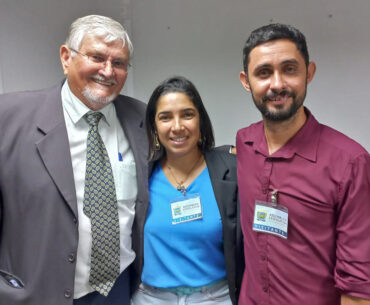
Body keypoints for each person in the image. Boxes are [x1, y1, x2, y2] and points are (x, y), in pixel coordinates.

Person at [0, 15, 148, 305]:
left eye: (118, 63)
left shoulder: (142, 120)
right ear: (66, 57)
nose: (108, 71)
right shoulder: (9, 117)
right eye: (97, 57)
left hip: (117, 290)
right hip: (35, 291)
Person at [236, 23, 370, 305]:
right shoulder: (245, 144)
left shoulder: (350, 163)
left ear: (309, 73)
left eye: (289, 69)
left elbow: (358, 286)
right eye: (263, 73)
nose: (277, 84)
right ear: (246, 81)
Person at [131, 76, 244, 305]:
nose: (177, 126)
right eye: (165, 117)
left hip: (215, 298)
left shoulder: (231, 171)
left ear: (200, 120)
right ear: (154, 126)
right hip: (150, 299)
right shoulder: (140, 176)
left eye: (187, 114)